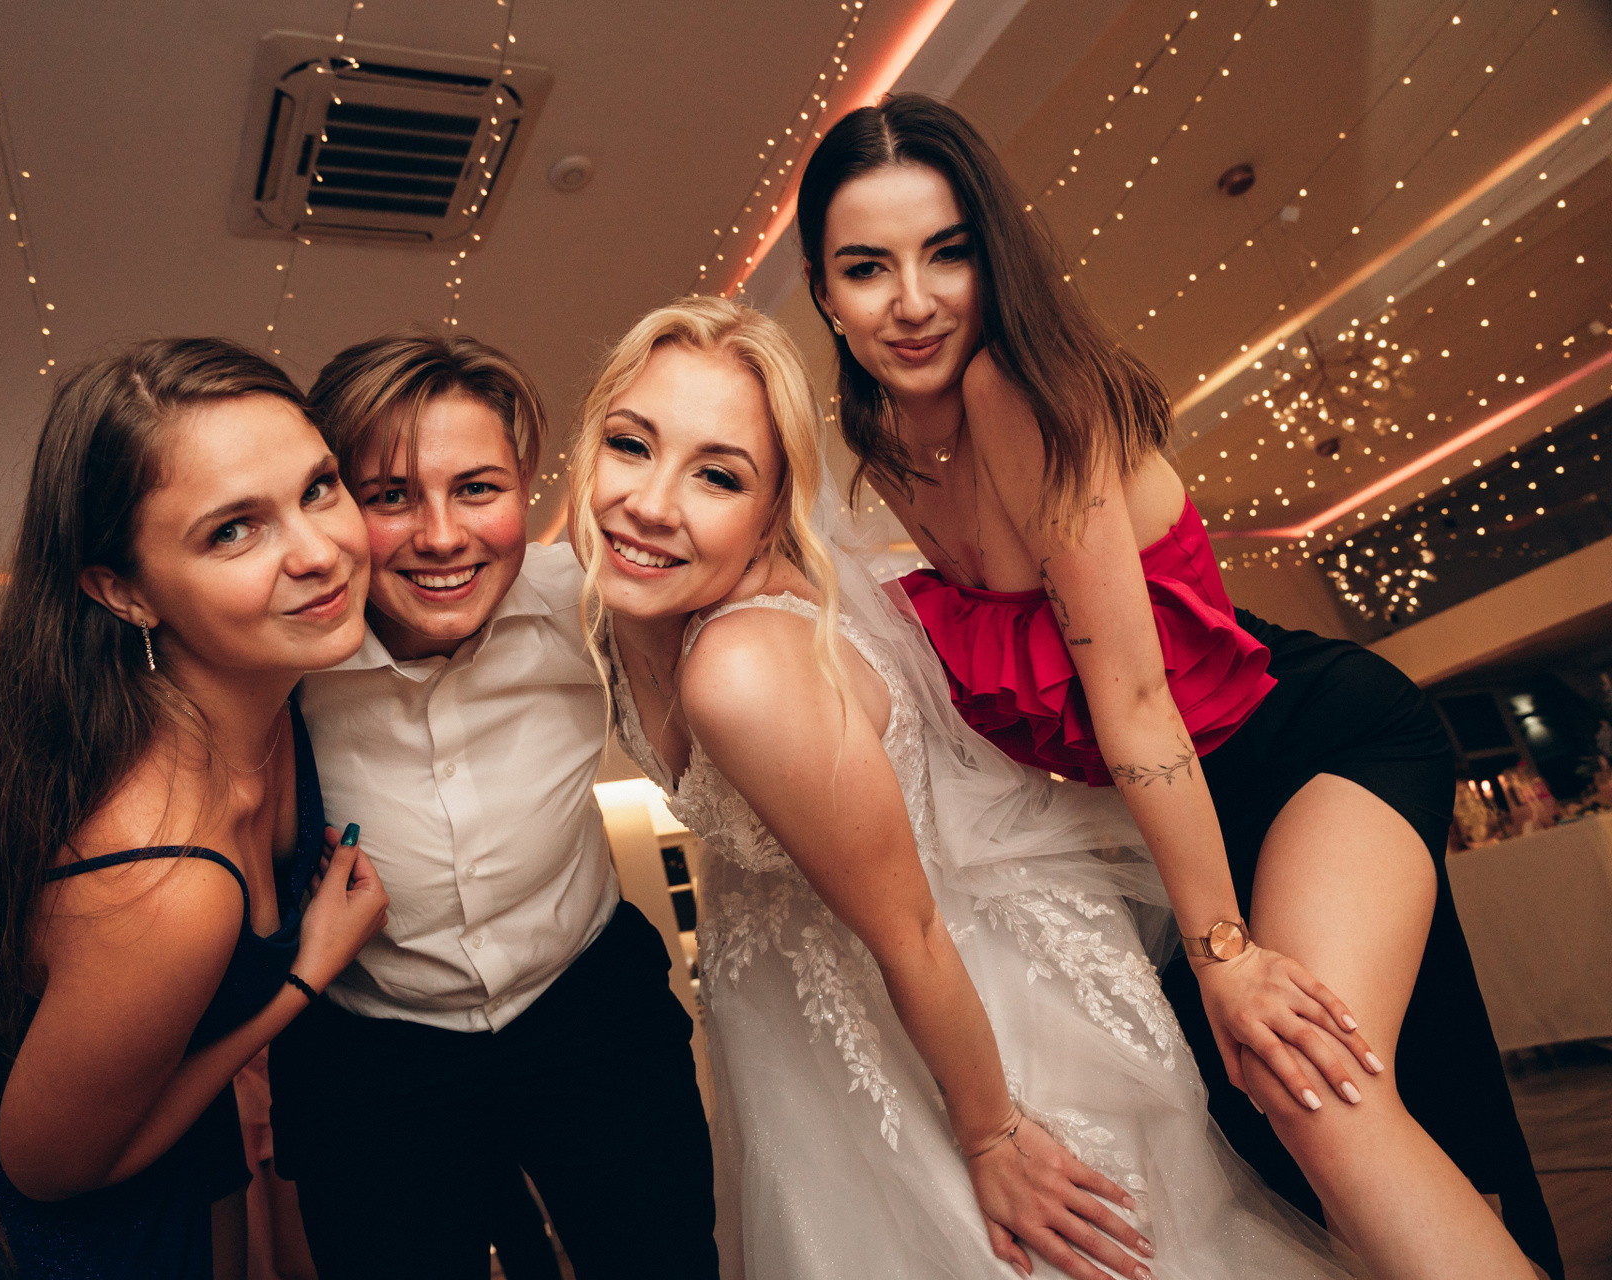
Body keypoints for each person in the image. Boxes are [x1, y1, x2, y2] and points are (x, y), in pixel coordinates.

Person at [793, 93, 1559, 1280]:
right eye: (866, 266)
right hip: (1173, 815)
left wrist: (1222, 950)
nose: (913, 300)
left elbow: (1137, 702)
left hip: (1307, 742)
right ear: (823, 291)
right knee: (1270, 1140)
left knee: (1311, 1089)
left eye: (948, 251)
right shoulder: (885, 452)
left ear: (994, 255)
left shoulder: (1018, 392)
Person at [574, 293, 1357, 1280]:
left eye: (717, 475)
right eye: (631, 444)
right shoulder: (614, 609)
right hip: (804, 1004)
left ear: (772, 515)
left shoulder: (743, 670)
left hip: (965, 1018)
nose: (651, 503)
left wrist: (991, 1136)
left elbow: (910, 930)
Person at [0, 338, 390, 1278]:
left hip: (168, 1131)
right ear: (123, 591)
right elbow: (48, 1172)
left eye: (319, 488)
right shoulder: (167, 882)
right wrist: (304, 975)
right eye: (233, 531)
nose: (321, 552)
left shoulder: (257, 679)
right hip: (30, 1223)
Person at [268, 329, 716, 1280]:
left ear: (522, 491)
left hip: (590, 1011)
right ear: (333, 507)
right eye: (391, 496)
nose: (441, 536)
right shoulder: (276, 664)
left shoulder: (589, 604)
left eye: (477, 488)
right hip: (374, 1057)